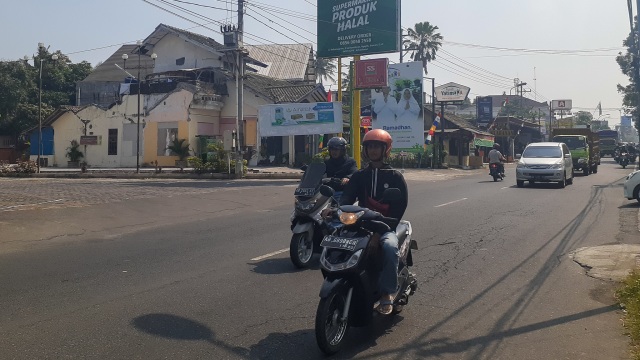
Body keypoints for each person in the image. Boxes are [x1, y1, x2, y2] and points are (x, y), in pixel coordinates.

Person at [339, 129, 409, 315]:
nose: (373, 150)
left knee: (389, 247)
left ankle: (387, 292)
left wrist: (380, 233)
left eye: (377, 146)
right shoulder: (360, 176)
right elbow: (346, 198)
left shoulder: (395, 177)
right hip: (362, 224)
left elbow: (399, 208)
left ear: (385, 149)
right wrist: (335, 210)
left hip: (386, 226)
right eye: (370, 146)